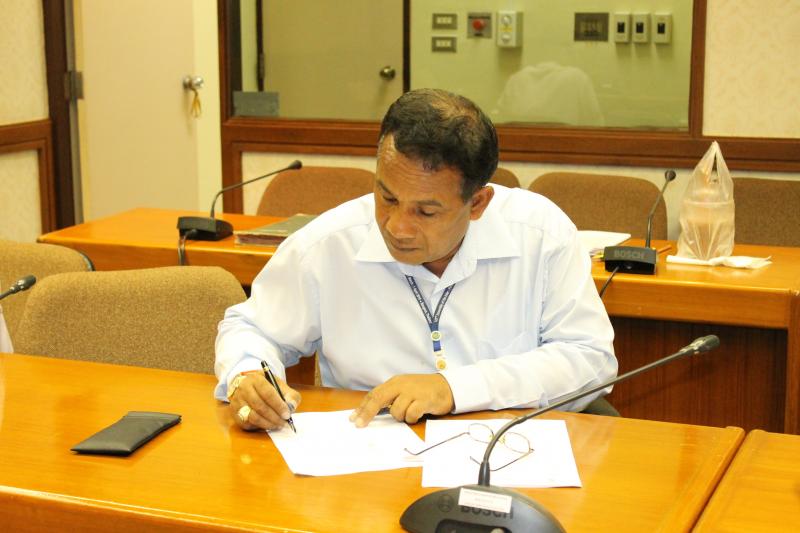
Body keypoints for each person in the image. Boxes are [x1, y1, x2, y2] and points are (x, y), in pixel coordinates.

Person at [214, 88, 617, 431]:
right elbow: (251, 327)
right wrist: (248, 375)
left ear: (478, 203)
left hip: (509, 452)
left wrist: (455, 388)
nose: (397, 227)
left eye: (426, 212)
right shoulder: (330, 244)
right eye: (387, 198)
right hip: (371, 459)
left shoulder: (540, 236)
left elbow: (590, 359)